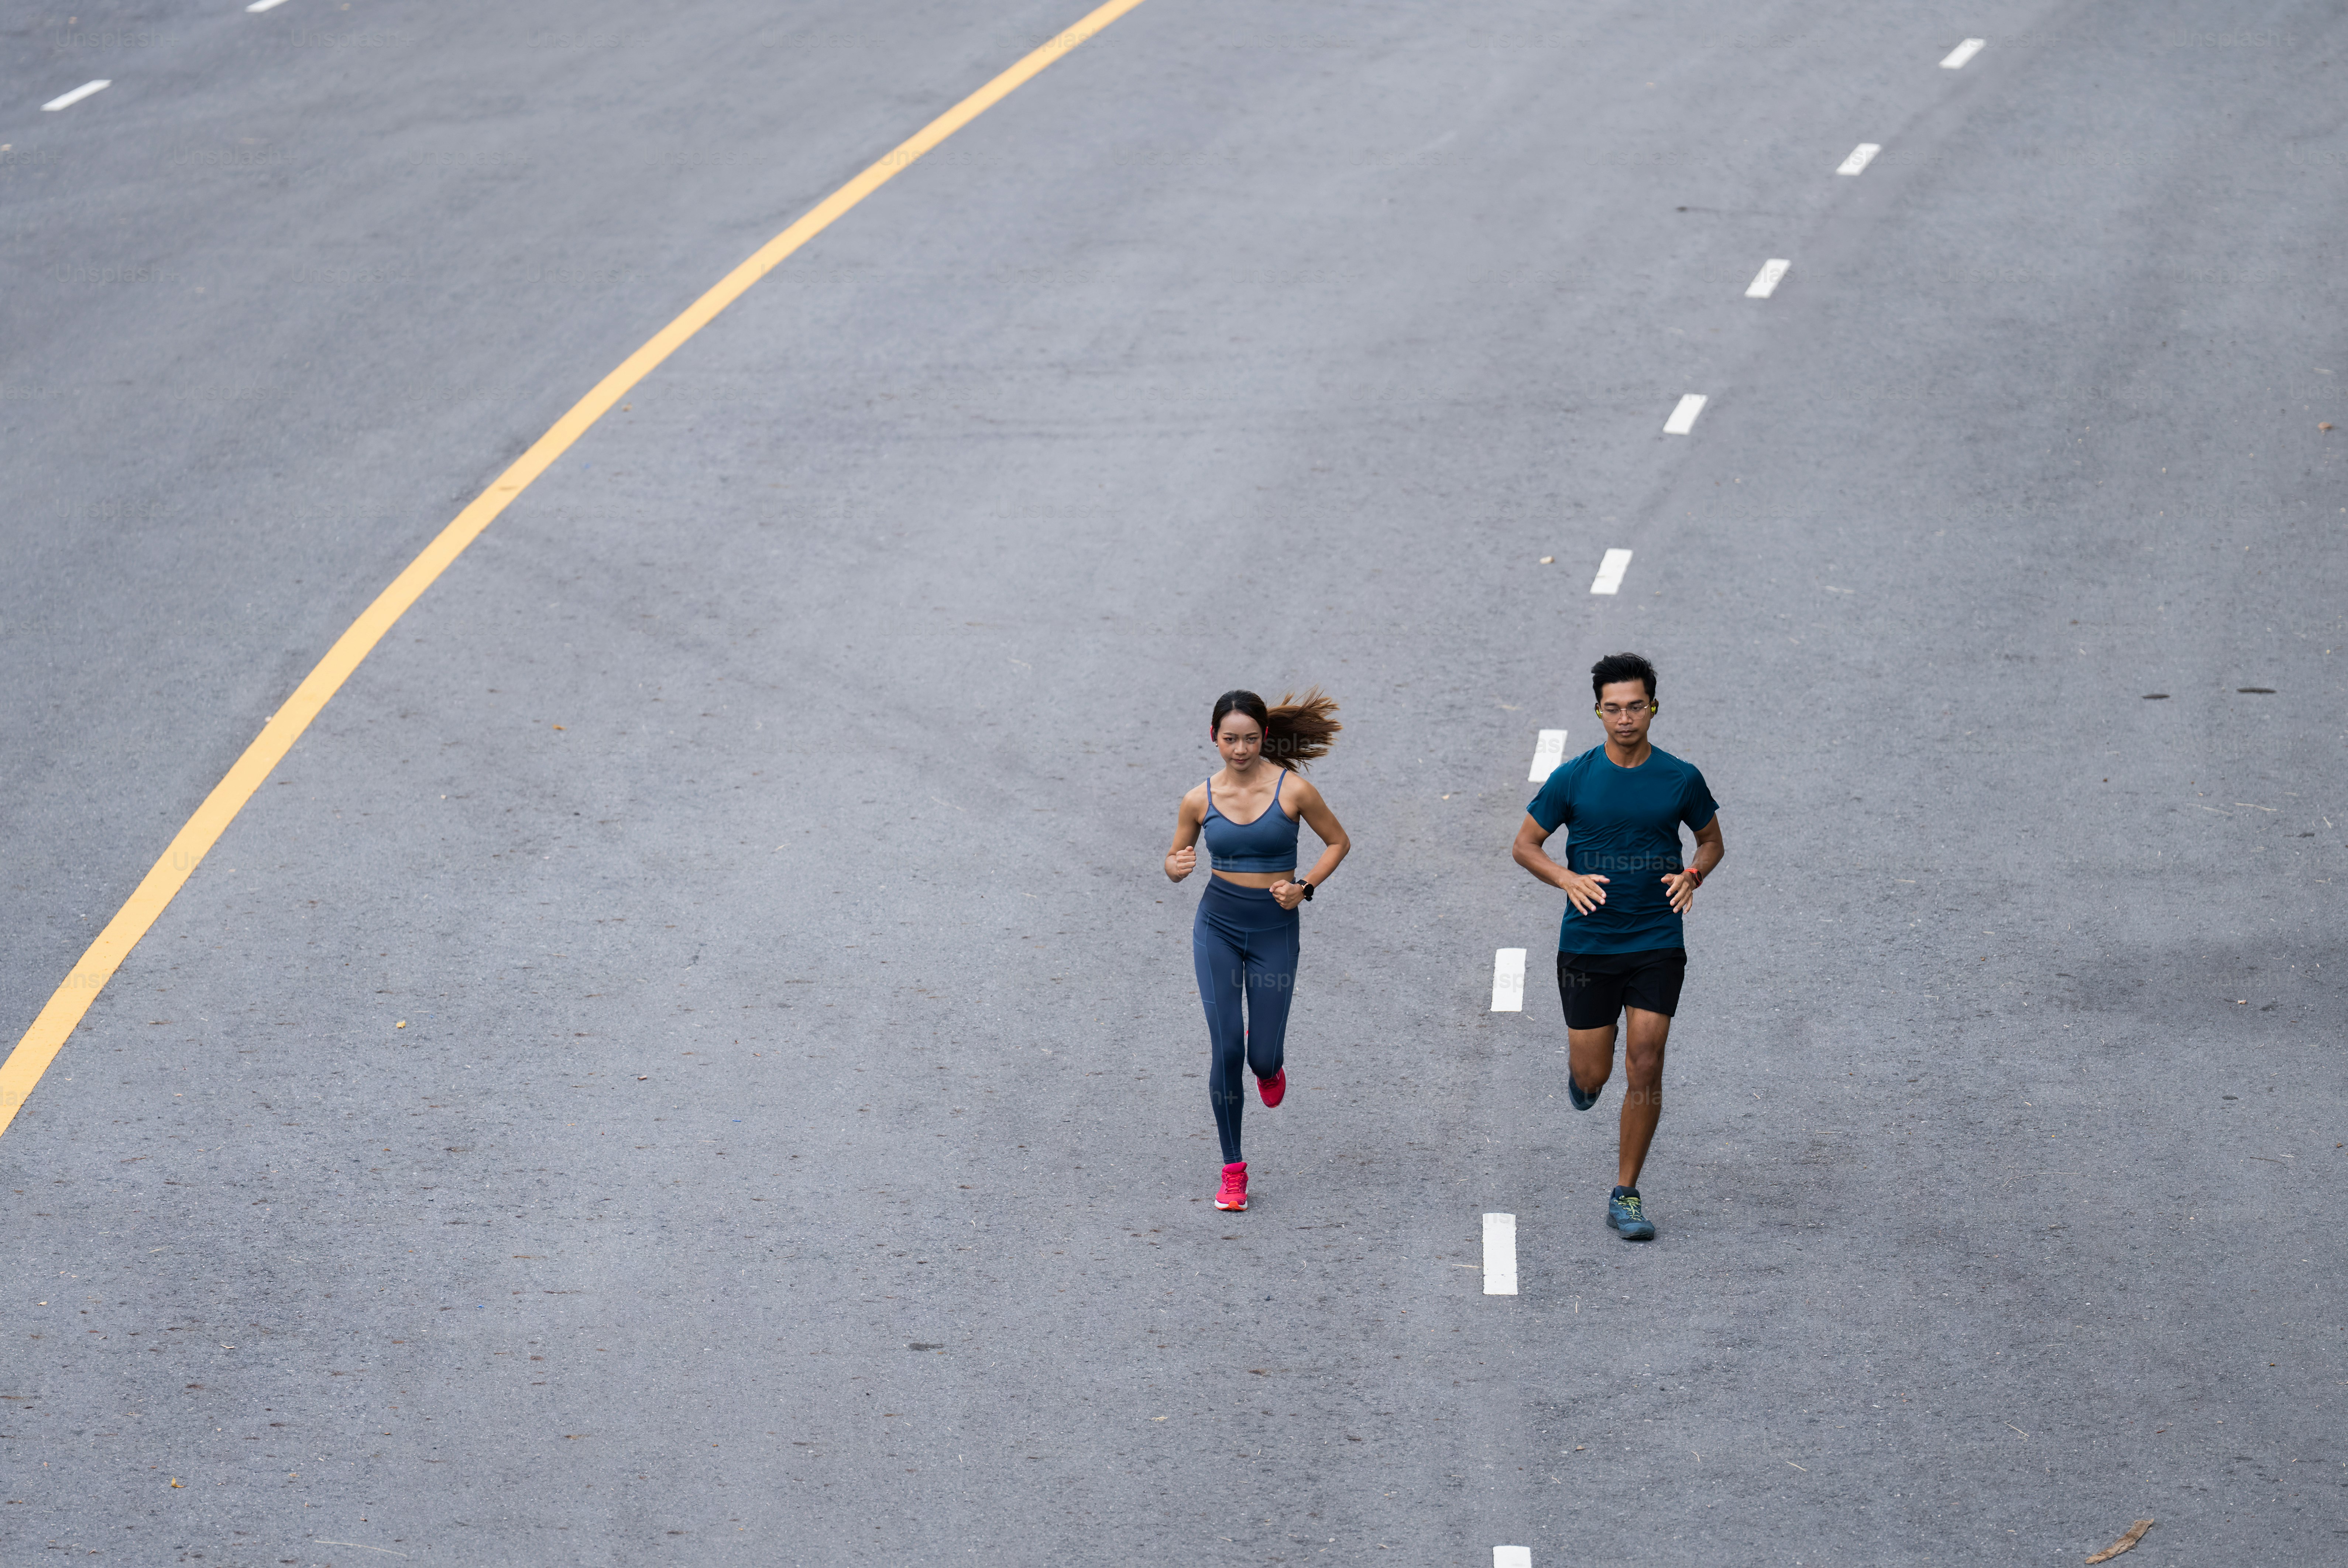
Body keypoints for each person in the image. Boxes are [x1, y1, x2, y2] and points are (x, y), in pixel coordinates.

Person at [1510, 653, 1723, 1241]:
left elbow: (1711, 842)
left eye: (1635, 707)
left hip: (1657, 938)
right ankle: (1584, 1084)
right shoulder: (1574, 778)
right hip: (1588, 944)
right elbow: (1526, 845)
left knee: (1647, 1061)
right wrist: (1566, 879)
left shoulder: (1681, 777)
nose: (1624, 718)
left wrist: (1694, 876)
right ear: (1597, 711)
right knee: (1595, 1071)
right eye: (1613, 708)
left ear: (1653, 707)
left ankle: (1626, 1192)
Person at [1164, 690, 1349, 1212]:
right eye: (1230, 739)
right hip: (1217, 926)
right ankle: (1233, 1170)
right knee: (1226, 1050)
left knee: (1260, 1055)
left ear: (1264, 737)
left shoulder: (1294, 791)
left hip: (1275, 929)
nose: (1240, 749)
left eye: (1250, 739)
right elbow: (1176, 854)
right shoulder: (1198, 799)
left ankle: (1269, 1067)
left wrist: (1304, 887)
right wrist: (1174, 867)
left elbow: (1338, 842)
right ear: (1213, 738)